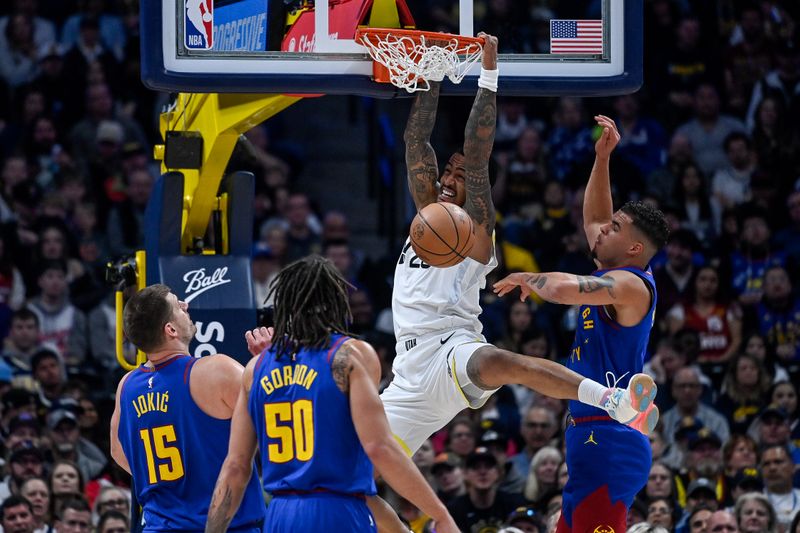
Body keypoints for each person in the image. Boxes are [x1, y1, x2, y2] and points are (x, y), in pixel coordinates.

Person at [382, 33, 658, 473]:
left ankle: (611, 399)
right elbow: (416, 143)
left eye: (459, 174)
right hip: (407, 374)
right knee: (351, 466)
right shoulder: (428, 216)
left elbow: (477, 153)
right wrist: (429, 72)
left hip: (452, 346)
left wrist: (487, 75)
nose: (451, 177)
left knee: (498, 361)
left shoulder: (474, 229)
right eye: (446, 172)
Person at [493, 115, 670, 533]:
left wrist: (531, 279)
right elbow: (593, 218)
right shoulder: (617, 264)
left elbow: (564, 289)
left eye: (616, 228)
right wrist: (602, 159)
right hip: (590, 433)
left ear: (634, 247)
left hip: (609, 438)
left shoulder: (629, 285)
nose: (601, 230)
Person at [205, 256, 459, 533]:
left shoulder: (256, 368)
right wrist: (439, 512)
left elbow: (235, 467)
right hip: (339, 510)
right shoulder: (351, 355)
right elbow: (378, 448)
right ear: (336, 302)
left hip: (280, 514)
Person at [109, 284, 265, 531]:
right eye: (177, 305)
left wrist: (171, 483)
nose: (185, 305)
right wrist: (268, 362)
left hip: (158, 525)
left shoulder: (126, 386)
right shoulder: (217, 370)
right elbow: (278, 416)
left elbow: (118, 452)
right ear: (170, 329)